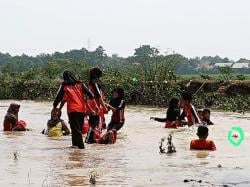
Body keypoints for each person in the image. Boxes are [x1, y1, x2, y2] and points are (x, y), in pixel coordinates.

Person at [53, 70, 96, 149]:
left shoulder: (64, 85)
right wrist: (84, 99)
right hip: (82, 110)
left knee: (75, 129)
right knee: (77, 128)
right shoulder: (81, 84)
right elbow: (91, 95)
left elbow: (58, 97)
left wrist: (54, 106)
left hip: (72, 110)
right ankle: (75, 145)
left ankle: (81, 147)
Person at [87, 67, 108, 132]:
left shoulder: (90, 84)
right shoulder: (95, 84)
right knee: (96, 127)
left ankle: (90, 139)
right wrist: (105, 108)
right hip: (95, 108)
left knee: (92, 126)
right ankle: (92, 140)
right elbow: (99, 97)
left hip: (91, 107)